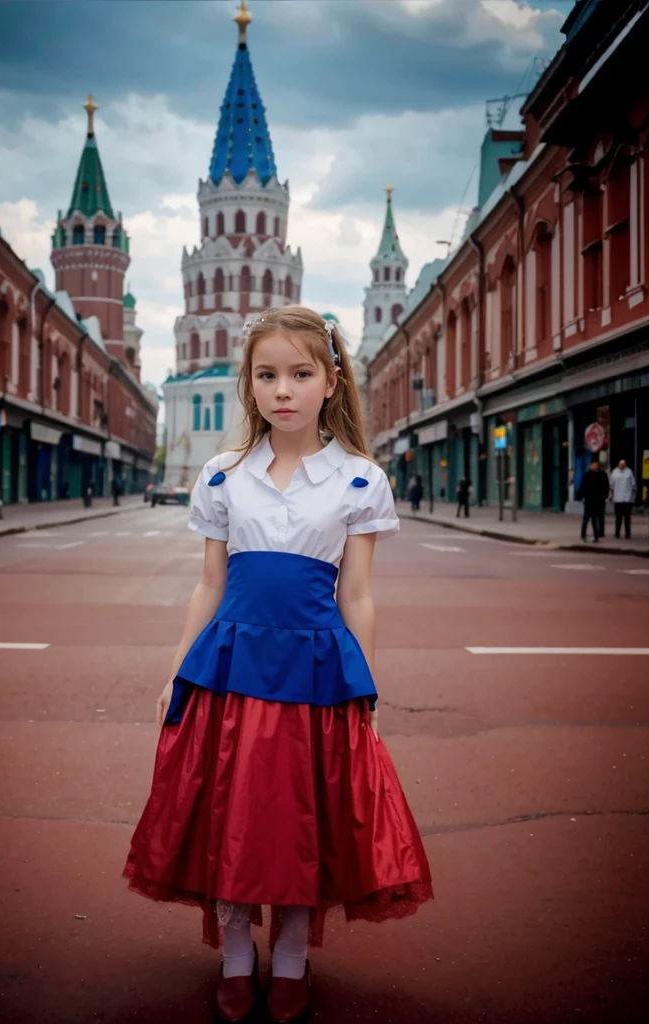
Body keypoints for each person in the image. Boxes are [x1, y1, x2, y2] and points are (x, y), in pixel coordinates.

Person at [123, 307, 433, 1023]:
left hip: (317, 670)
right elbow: (209, 582)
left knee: (303, 818)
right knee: (226, 811)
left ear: (330, 382)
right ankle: (237, 954)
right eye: (267, 375)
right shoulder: (223, 476)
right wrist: (177, 669)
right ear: (249, 386)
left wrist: (369, 687)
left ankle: (290, 957)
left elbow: (356, 593)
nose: (283, 390)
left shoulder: (358, 479)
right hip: (229, 665)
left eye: (300, 373)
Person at [579, 459, 609, 541]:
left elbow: (605, 487)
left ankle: (596, 536)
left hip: (597, 500)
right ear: (590, 466)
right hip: (589, 501)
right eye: (594, 466)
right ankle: (583, 535)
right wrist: (583, 496)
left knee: (594, 519)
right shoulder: (587, 475)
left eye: (597, 466)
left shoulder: (601, 475)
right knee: (586, 519)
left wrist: (603, 496)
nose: (596, 467)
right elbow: (582, 487)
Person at [609, 459, 637, 539]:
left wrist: (633, 496)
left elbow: (633, 485)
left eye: (623, 464)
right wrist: (610, 494)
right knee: (618, 517)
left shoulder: (629, 472)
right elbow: (611, 485)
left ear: (625, 465)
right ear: (618, 464)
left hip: (627, 498)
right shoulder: (614, 472)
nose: (621, 466)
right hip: (618, 498)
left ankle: (627, 533)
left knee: (627, 517)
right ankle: (617, 533)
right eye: (620, 464)